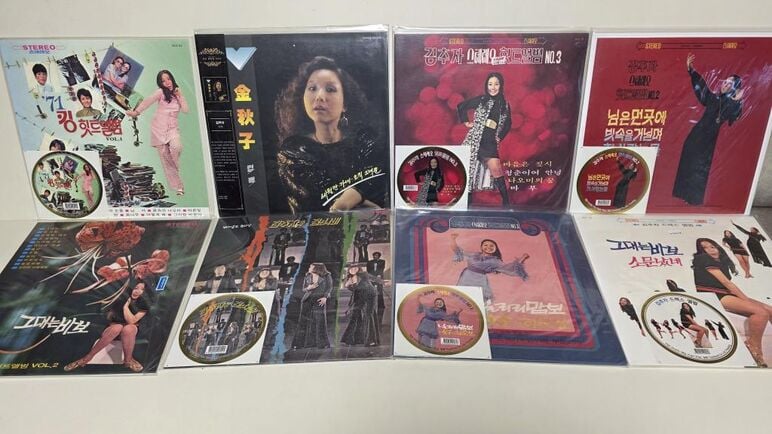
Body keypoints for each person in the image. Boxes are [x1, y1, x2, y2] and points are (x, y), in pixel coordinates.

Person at [275, 56, 386, 213]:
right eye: (312, 88)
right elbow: (319, 202)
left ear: (345, 103)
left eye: (330, 89)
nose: (319, 96)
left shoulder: (364, 139)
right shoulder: (293, 150)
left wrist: (352, 199)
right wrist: (360, 197)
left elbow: (380, 180)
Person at [672, 53, 743, 206]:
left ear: (735, 89)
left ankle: (693, 199)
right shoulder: (714, 98)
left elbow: (734, 116)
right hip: (696, 136)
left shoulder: (732, 104)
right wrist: (692, 70)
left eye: (730, 84)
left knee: (700, 167)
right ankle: (682, 194)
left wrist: (737, 102)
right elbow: (702, 88)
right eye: (726, 81)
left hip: (707, 141)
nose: (725, 84)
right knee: (689, 161)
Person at [692, 237, 771, 367]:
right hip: (714, 294)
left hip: (725, 292)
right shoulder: (703, 259)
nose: (710, 250)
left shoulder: (721, 262)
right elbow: (726, 282)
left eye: (712, 246)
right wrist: (746, 300)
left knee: (770, 310)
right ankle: (753, 345)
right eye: (704, 248)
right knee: (761, 312)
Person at [64, 280, 150, 373]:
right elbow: (109, 316)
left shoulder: (144, 304)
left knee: (129, 328)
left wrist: (125, 307)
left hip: (130, 331)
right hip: (113, 328)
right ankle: (86, 358)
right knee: (117, 327)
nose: (137, 291)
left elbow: (132, 321)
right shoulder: (120, 298)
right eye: (136, 288)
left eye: (141, 289)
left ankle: (128, 361)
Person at [126, 70, 189, 196]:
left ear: (172, 79)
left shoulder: (178, 93)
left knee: (176, 147)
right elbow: (147, 101)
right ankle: (179, 187)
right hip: (158, 129)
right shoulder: (160, 92)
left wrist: (180, 95)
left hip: (172, 129)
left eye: (168, 79)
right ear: (161, 84)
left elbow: (186, 110)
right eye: (163, 81)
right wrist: (136, 112)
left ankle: (175, 172)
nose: (167, 82)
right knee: (166, 160)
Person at [456, 72, 512, 205]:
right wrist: (466, 122)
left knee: (496, 170)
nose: (493, 87)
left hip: (490, 142)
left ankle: (507, 204)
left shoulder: (504, 104)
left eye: (496, 84)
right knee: (469, 172)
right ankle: (467, 205)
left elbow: (508, 123)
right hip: (474, 141)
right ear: (486, 86)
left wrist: (500, 137)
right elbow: (461, 106)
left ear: (501, 86)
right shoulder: (481, 100)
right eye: (490, 84)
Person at [451, 233, 528, 302]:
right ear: (481, 247)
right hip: (466, 277)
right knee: (462, 297)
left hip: (479, 280)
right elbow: (459, 251)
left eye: (491, 246)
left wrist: (522, 258)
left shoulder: (495, 261)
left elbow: (509, 267)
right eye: (485, 245)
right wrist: (453, 239)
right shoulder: (474, 255)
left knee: (476, 299)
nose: (488, 247)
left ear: (495, 248)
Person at [292, 263, 333, 349]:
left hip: (319, 300)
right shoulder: (307, 276)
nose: (309, 268)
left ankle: (322, 344)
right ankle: (299, 344)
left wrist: (325, 297)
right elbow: (304, 289)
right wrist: (309, 288)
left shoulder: (326, 276)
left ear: (316, 268)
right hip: (307, 300)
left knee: (320, 321)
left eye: (311, 266)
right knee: (303, 321)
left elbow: (329, 287)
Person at [340, 266, 379, 346]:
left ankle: (371, 340)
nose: (353, 269)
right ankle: (353, 339)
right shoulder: (350, 278)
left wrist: (349, 285)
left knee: (368, 315)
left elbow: (368, 282)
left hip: (369, 296)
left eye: (355, 268)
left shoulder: (364, 274)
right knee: (355, 315)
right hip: (359, 296)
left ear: (359, 269)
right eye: (351, 268)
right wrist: (348, 285)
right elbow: (354, 289)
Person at [367, 252, 387, 326]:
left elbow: (381, 269)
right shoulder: (369, 262)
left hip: (379, 277)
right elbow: (368, 270)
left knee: (380, 290)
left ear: (379, 256)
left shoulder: (382, 261)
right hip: (372, 277)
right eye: (374, 255)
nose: (375, 256)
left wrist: (379, 275)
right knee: (371, 290)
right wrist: (370, 277)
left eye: (376, 255)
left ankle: (381, 305)